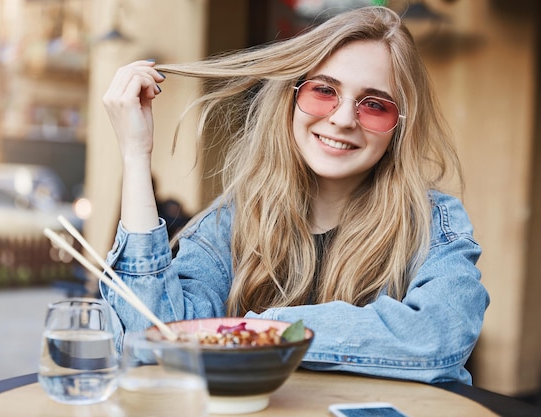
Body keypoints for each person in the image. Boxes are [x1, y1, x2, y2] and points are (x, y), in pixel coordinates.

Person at [101, 6, 489, 385]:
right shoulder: (231, 222)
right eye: (324, 90)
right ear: (291, 97)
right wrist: (136, 155)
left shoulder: (433, 221)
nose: (342, 118)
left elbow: (438, 337)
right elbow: (153, 338)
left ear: (399, 127)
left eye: (375, 105)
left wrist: (259, 332)